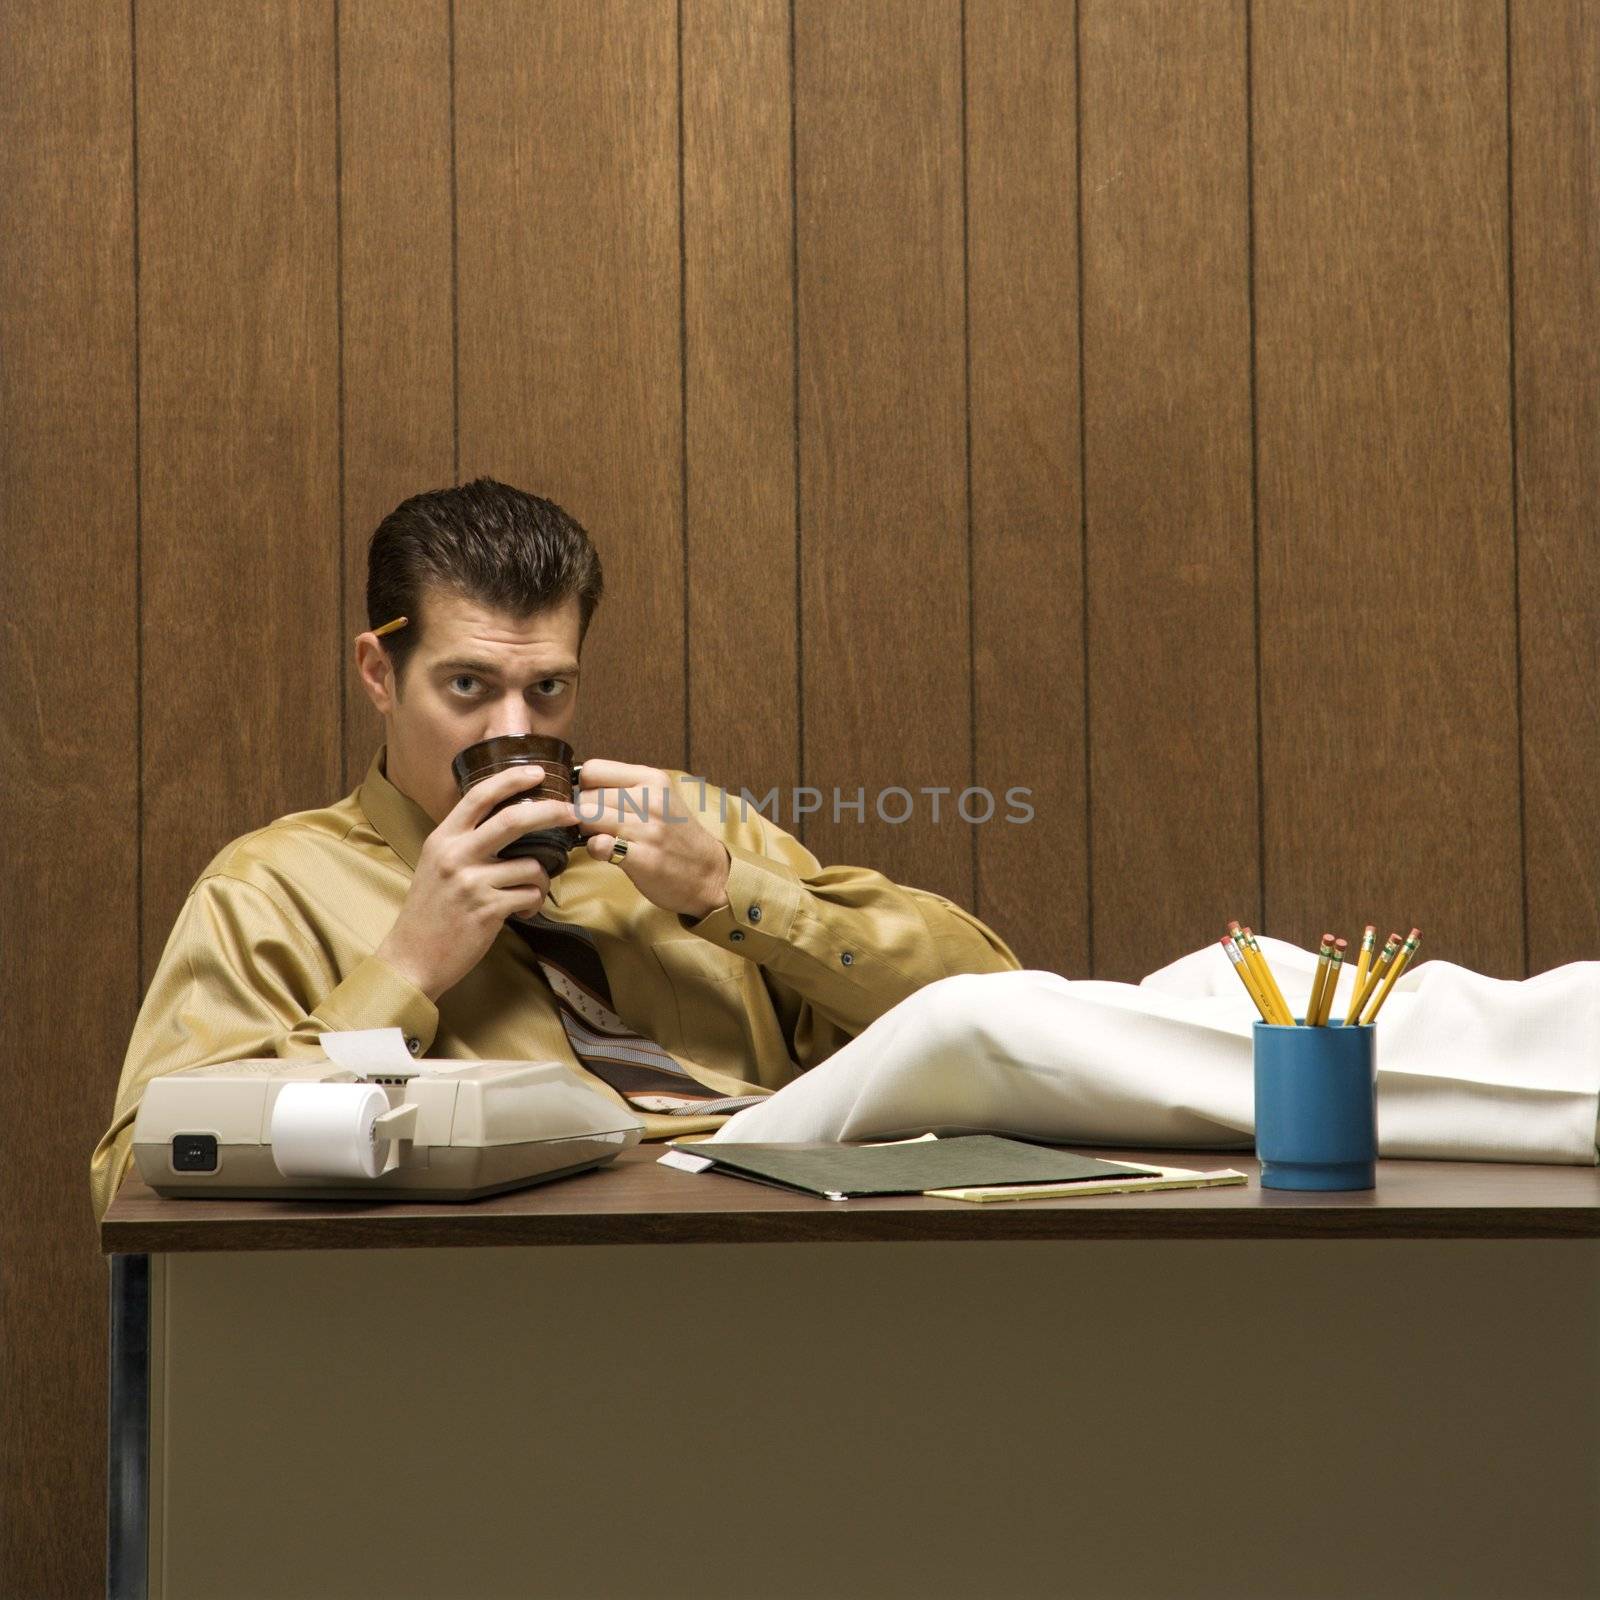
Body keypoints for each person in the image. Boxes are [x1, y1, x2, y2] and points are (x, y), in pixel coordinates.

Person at [89, 478, 1020, 1220]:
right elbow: (142, 1175)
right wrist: (405, 968)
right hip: (475, 1308)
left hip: (772, 1259)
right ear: (380, 673)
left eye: (548, 690)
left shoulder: (692, 830)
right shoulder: (270, 889)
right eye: (468, 685)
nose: (514, 729)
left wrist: (733, 892)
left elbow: (986, 1008)